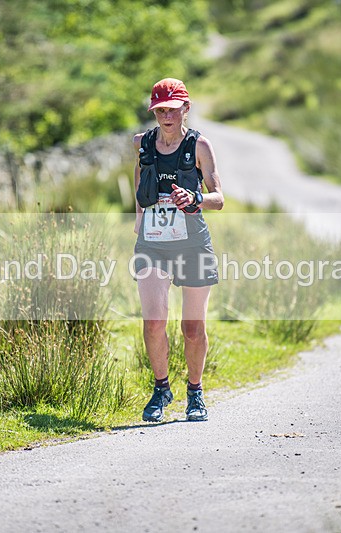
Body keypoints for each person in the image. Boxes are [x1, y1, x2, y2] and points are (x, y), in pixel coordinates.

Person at [132, 78, 224, 423]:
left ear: (186, 108)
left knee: (191, 327)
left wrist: (196, 198)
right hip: (153, 244)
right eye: (160, 110)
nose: (166, 116)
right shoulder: (142, 144)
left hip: (192, 242)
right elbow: (140, 185)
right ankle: (161, 389)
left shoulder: (199, 146)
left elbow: (220, 198)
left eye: (172, 109)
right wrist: (139, 225)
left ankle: (195, 392)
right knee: (154, 322)